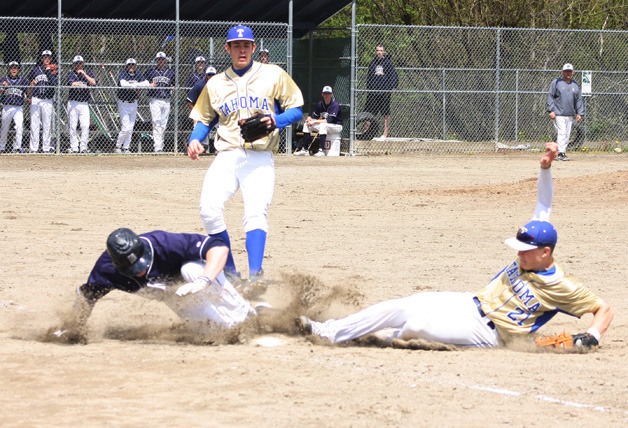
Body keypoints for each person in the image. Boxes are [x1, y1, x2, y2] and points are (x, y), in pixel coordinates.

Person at [297, 143, 613, 349]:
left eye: (524, 249)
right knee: (405, 305)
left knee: (415, 325)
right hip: (469, 302)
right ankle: (328, 331)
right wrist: (545, 168)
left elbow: (603, 309)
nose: (518, 252)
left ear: (546, 252)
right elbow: (544, 204)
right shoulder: (534, 244)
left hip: (490, 334)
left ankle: (375, 337)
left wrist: (593, 335)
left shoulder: (562, 286)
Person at [187, 25, 304, 294]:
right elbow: (205, 118)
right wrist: (195, 139)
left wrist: (276, 119)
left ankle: (255, 276)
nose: (242, 49)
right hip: (227, 154)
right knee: (208, 209)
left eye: (246, 45)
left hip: (259, 156)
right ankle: (229, 272)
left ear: (253, 48)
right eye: (236, 45)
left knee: (255, 213)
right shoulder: (215, 83)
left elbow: (296, 110)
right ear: (227, 49)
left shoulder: (273, 74)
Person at [53, 227, 257, 343]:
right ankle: (237, 325)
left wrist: (204, 280)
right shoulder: (106, 269)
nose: (140, 271)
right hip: (173, 297)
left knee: (190, 271)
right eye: (133, 269)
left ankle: (248, 314)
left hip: (200, 277)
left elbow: (219, 249)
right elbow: (87, 295)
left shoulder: (163, 243)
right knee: (218, 331)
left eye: (142, 263)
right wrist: (72, 329)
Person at [546, 63, 584, 161]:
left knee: (567, 135)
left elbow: (578, 99)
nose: (568, 73)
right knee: (562, 133)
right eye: (566, 71)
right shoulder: (556, 82)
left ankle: (559, 152)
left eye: (570, 71)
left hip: (570, 114)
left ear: (573, 72)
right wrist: (551, 110)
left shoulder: (575, 85)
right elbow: (550, 96)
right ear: (562, 72)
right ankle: (560, 153)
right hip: (558, 113)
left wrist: (580, 113)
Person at [114, 58, 152, 154]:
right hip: (123, 102)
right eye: (129, 65)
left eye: (133, 65)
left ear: (135, 66)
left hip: (134, 103)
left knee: (131, 127)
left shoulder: (138, 74)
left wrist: (135, 84)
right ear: (127, 66)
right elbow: (123, 84)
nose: (131, 67)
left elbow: (147, 83)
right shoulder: (123, 73)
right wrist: (137, 86)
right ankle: (118, 146)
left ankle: (126, 147)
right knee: (125, 127)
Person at [293, 85, 343, 156]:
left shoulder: (335, 104)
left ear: (331, 94)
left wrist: (314, 121)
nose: (327, 95)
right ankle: (305, 149)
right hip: (326, 126)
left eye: (328, 94)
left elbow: (329, 120)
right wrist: (310, 118)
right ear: (322, 94)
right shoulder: (320, 104)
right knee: (306, 125)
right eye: (325, 93)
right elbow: (314, 117)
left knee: (323, 125)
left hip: (337, 126)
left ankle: (321, 150)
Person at [364, 44, 398, 141]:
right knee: (369, 112)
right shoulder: (373, 63)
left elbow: (393, 76)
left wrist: (390, 89)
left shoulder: (388, 63)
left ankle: (385, 134)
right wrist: (369, 88)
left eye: (381, 50)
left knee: (385, 113)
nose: (379, 52)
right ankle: (366, 132)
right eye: (377, 50)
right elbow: (369, 77)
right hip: (373, 92)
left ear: (384, 51)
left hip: (384, 92)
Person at [28, 50, 58, 154]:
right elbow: (29, 83)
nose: (46, 58)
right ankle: (33, 148)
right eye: (44, 57)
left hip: (47, 99)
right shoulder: (35, 70)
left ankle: (46, 147)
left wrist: (49, 71)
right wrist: (31, 86)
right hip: (36, 98)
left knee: (47, 124)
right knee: (34, 124)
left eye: (48, 57)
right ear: (41, 58)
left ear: (51, 59)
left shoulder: (54, 70)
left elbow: (54, 83)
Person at [145, 51, 175, 153]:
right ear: (156, 61)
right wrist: (149, 85)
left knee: (163, 124)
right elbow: (145, 82)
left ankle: (160, 146)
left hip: (166, 100)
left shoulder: (171, 72)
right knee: (156, 122)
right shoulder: (150, 71)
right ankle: (157, 147)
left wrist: (173, 87)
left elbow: (174, 83)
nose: (161, 61)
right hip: (155, 99)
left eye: (163, 60)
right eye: (159, 60)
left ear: (166, 61)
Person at [66, 55, 96, 154]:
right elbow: (72, 84)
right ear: (74, 65)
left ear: (83, 64)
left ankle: (83, 147)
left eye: (80, 63)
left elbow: (93, 83)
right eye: (76, 63)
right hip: (73, 102)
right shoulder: (71, 73)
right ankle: (74, 147)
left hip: (84, 103)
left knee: (85, 125)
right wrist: (83, 85)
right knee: (73, 126)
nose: (78, 65)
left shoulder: (88, 73)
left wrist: (84, 75)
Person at [0, 62, 30, 153]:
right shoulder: (3, 79)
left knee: (19, 126)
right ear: (9, 69)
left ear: (19, 70)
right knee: (4, 127)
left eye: (16, 68)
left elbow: (28, 92)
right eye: (12, 68)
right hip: (7, 107)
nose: (14, 69)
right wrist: (1, 88)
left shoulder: (23, 80)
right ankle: (2, 147)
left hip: (18, 108)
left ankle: (17, 147)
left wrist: (31, 88)